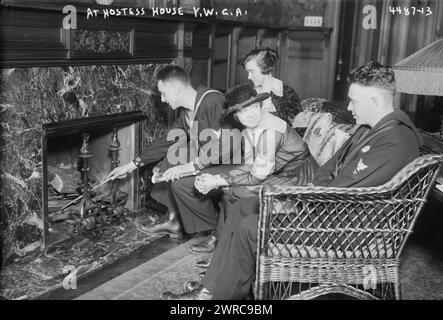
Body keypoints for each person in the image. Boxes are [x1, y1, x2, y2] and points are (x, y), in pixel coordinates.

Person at [161, 61, 423, 300]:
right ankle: (215, 286)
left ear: (375, 100)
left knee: (249, 227)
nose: (349, 107)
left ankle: (212, 298)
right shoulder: (371, 130)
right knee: (242, 207)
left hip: (346, 230)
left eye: (353, 101)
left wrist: (294, 200)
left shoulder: (395, 141)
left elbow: (344, 192)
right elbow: (328, 172)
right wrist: (306, 192)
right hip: (332, 212)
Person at [106, 65, 234, 239]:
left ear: (174, 88)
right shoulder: (187, 114)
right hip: (212, 160)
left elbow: (227, 146)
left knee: (179, 180)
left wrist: (190, 167)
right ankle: (173, 219)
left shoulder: (213, 101)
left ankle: (216, 232)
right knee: (169, 160)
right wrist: (131, 165)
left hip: (233, 164)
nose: (163, 100)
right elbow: (168, 140)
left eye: (163, 93)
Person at [242, 48, 302, 124]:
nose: (249, 77)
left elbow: (300, 127)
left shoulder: (286, 92)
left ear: (265, 68)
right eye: (248, 72)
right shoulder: (248, 91)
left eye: (252, 71)